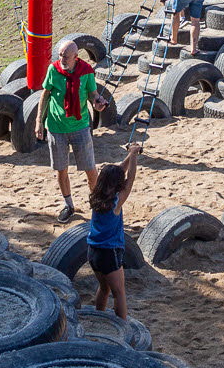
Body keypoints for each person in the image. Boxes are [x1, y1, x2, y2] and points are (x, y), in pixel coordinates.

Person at [32, 36, 103, 222]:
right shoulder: (53, 70)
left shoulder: (86, 71)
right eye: (60, 55)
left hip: (80, 126)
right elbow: (45, 95)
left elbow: (92, 94)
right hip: (56, 127)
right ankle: (69, 205)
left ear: (76, 57)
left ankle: (97, 206)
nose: (62, 59)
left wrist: (98, 102)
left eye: (65, 56)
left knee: (90, 169)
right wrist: (39, 121)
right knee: (61, 169)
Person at [88, 143, 143, 320]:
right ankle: (123, 326)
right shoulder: (116, 202)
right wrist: (133, 155)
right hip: (109, 253)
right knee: (119, 293)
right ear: (117, 184)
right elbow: (131, 178)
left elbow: (117, 173)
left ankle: (99, 318)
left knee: (104, 288)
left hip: (93, 251)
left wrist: (131, 153)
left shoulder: (97, 195)